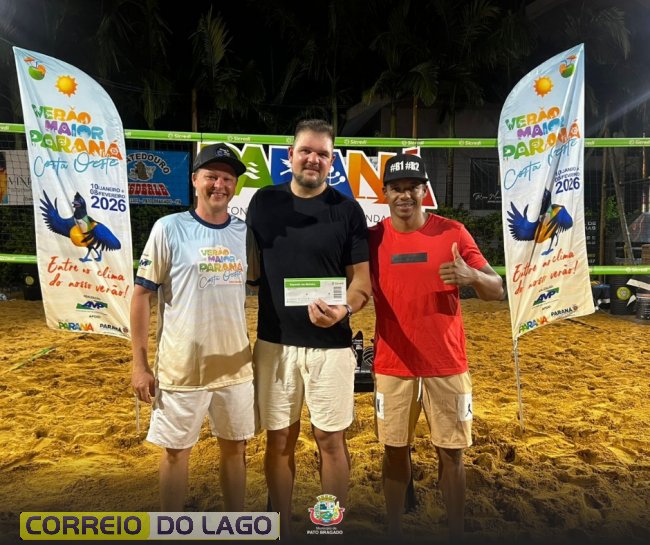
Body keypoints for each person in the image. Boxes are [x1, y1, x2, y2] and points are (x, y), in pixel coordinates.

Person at [369, 153, 504, 541]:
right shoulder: (372, 238)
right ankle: (394, 529)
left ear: (424, 191)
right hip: (393, 363)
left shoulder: (453, 233)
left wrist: (471, 275)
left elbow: (496, 290)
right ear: (385, 193)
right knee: (394, 449)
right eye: (397, 188)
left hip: (446, 363)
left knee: (452, 452)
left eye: (412, 187)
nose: (405, 195)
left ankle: (455, 530)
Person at [246, 119, 371, 537]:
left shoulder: (347, 210)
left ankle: (329, 526)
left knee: (330, 440)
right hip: (275, 343)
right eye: (306, 151)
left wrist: (343, 310)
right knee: (279, 439)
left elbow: (361, 283)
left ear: (332, 161)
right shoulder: (263, 202)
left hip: (331, 346)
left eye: (322, 154)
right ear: (290, 155)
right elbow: (249, 269)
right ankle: (280, 527)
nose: (313, 159)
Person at [131, 143, 255, 511]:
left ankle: (235, 526)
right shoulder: (169, 228)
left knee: (236, 449)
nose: (220, 185)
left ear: (235, 186)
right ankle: (171, 528)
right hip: (182, 367)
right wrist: (139, 364)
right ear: (194, 180)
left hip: (235, 367)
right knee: (175, 453)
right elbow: (141, 296)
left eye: (228, 179)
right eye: (212, 176)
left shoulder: (245, 233)